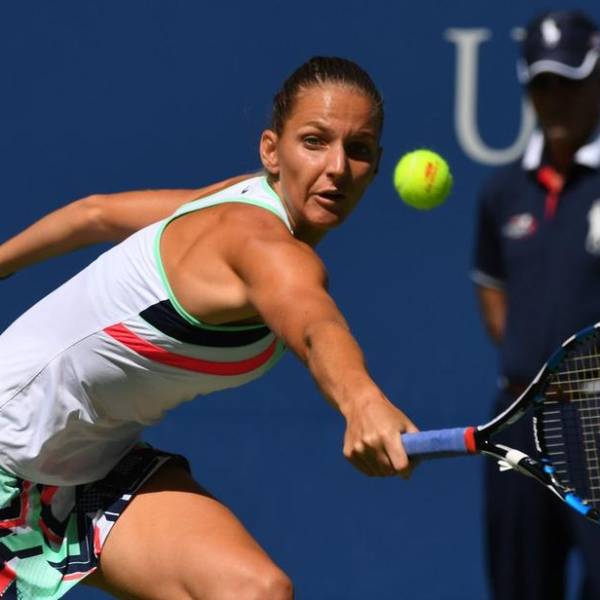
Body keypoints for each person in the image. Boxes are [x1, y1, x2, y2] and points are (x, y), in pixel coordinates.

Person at [0, 56, 418, 599]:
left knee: (253, 591)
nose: (337, 167)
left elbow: (94, 214)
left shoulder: (237, 196)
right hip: (8, 444)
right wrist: (361, 400)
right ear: (272, 150)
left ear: (377, 165)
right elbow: (315, 324)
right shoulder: (258, 242)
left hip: (89, 466)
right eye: (315, 141)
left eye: (358, 149)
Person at [472, 11, 600, 600]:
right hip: (518, 422)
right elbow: (492, 289)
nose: (556, 99)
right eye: (543, 84)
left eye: (570, 81)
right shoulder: (502, 192)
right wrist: (537, 377)